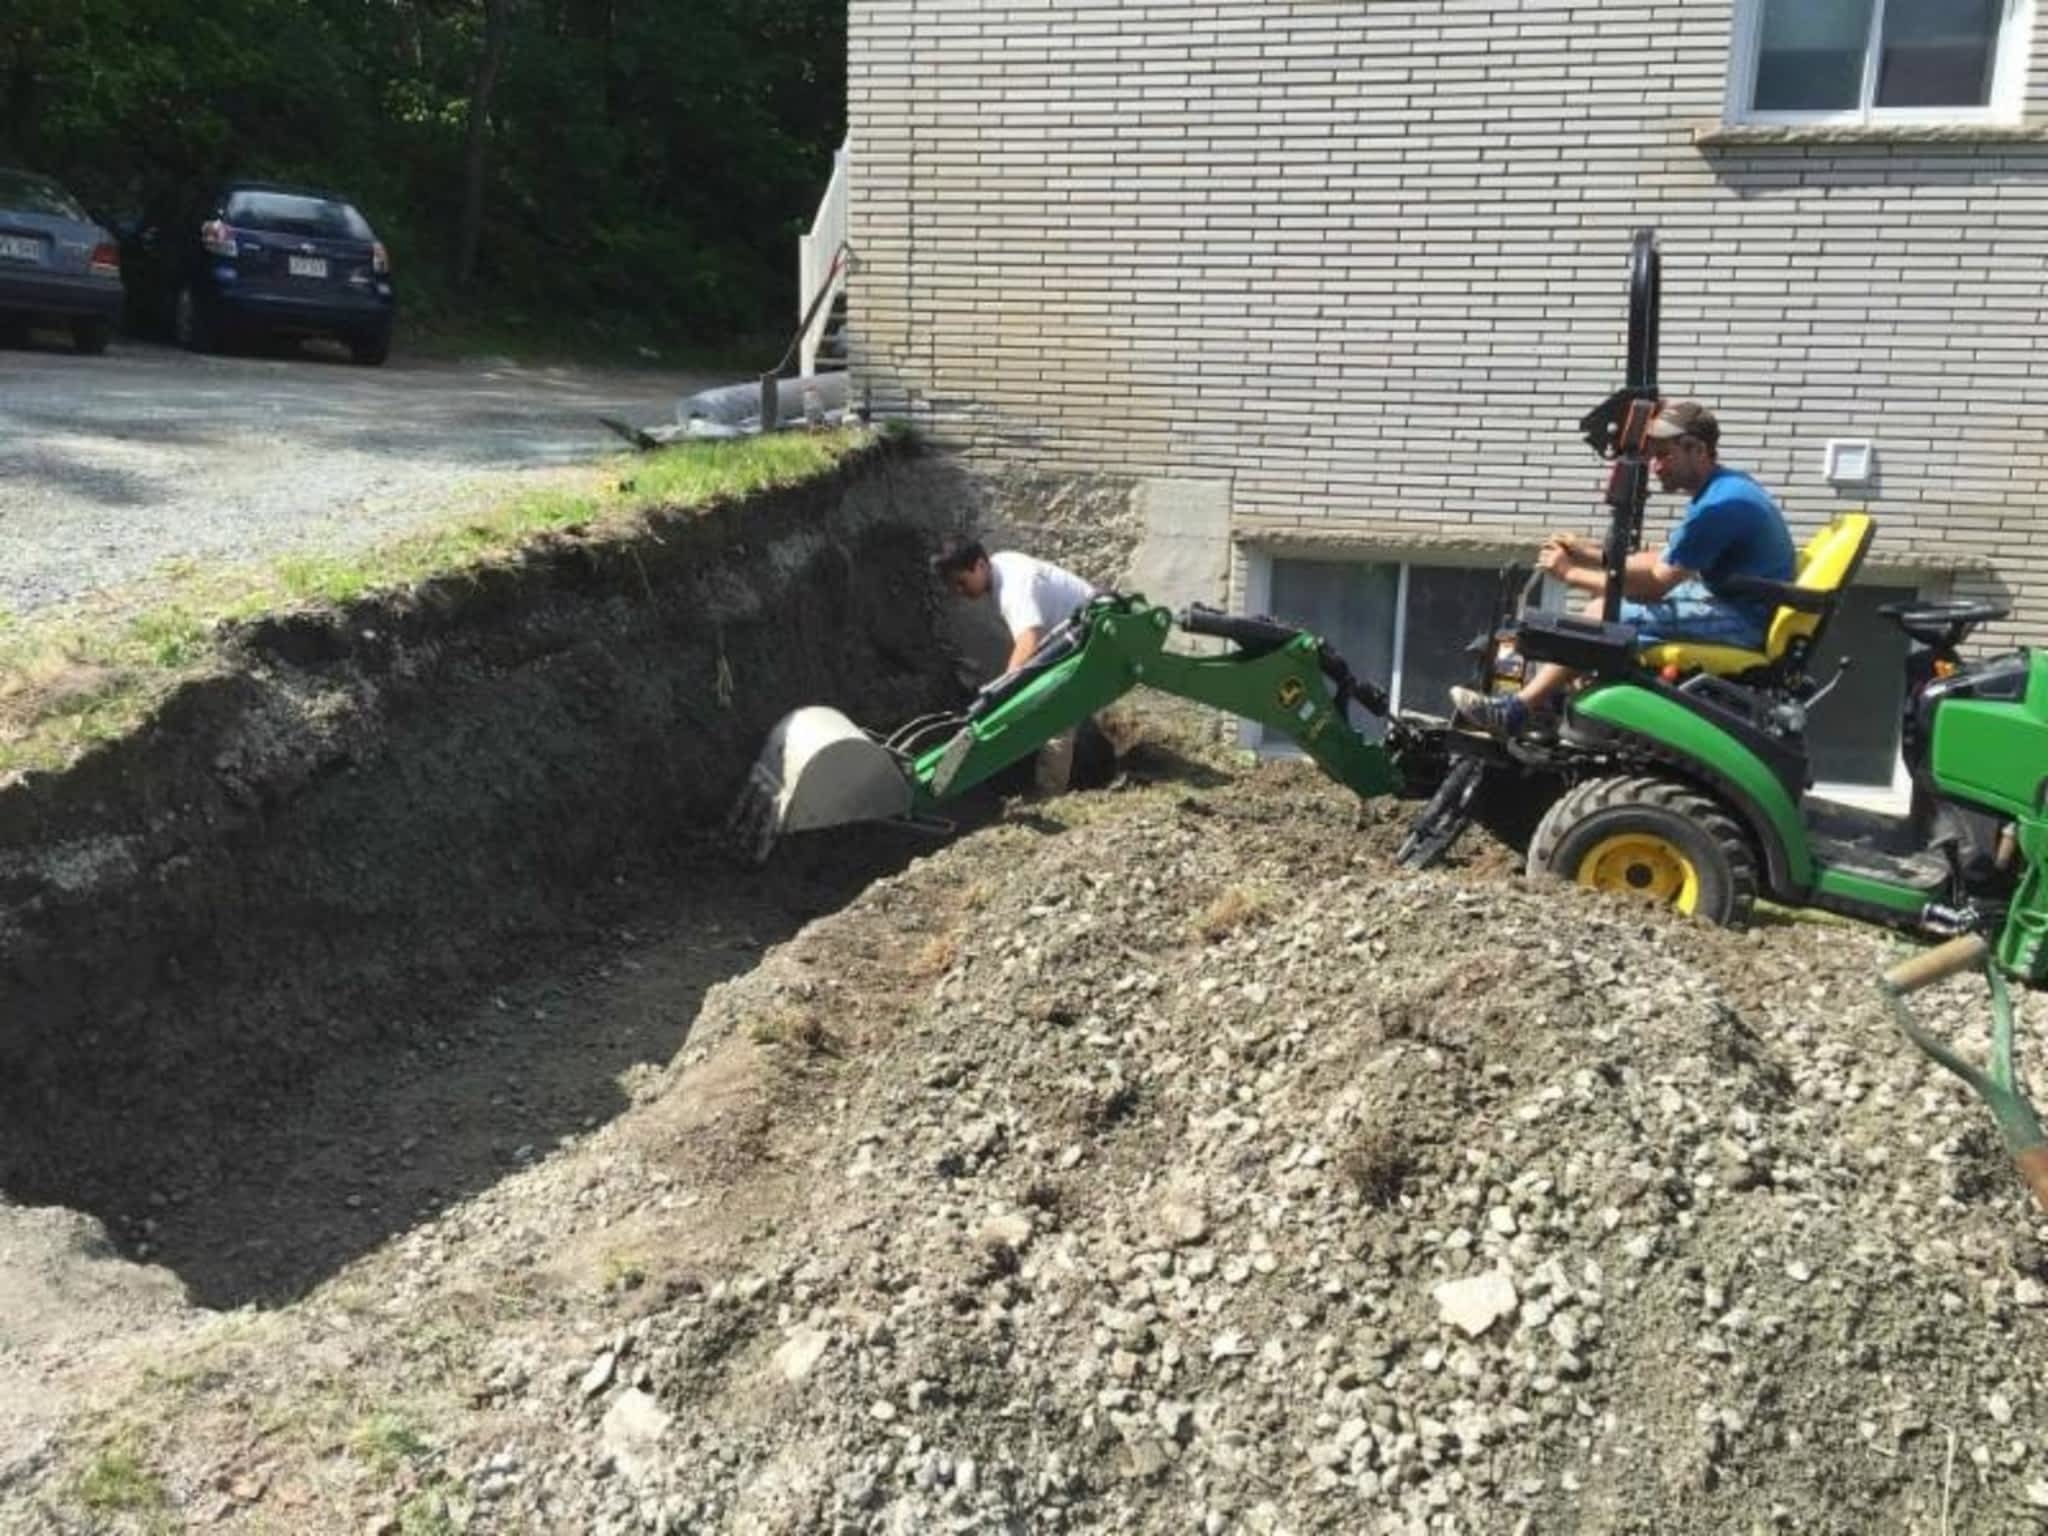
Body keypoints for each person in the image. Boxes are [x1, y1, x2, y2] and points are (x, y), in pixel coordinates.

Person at [1450, 399, 1796, 738]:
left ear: (1698, 450)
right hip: (1733, 602)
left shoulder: (1720, 507)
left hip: (1743, 621)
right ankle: (1549, 703)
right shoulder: (1724, 489)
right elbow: (1663, 560)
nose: (1655, 466)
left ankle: (1515, 712)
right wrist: (1591, 555)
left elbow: (1656, 583)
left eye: (1664, 455)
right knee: (1599, 610)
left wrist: (1569, 573)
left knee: (1600, 615)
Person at [931, 536, 1099, 675]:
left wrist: (1004, 689)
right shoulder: (1000, 562)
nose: (958, 591)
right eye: (953, 586)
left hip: (1097, 636)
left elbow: (1028, 640)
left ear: (980, 565)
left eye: (961, 582)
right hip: (1083, 634)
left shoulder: (1012, 587)